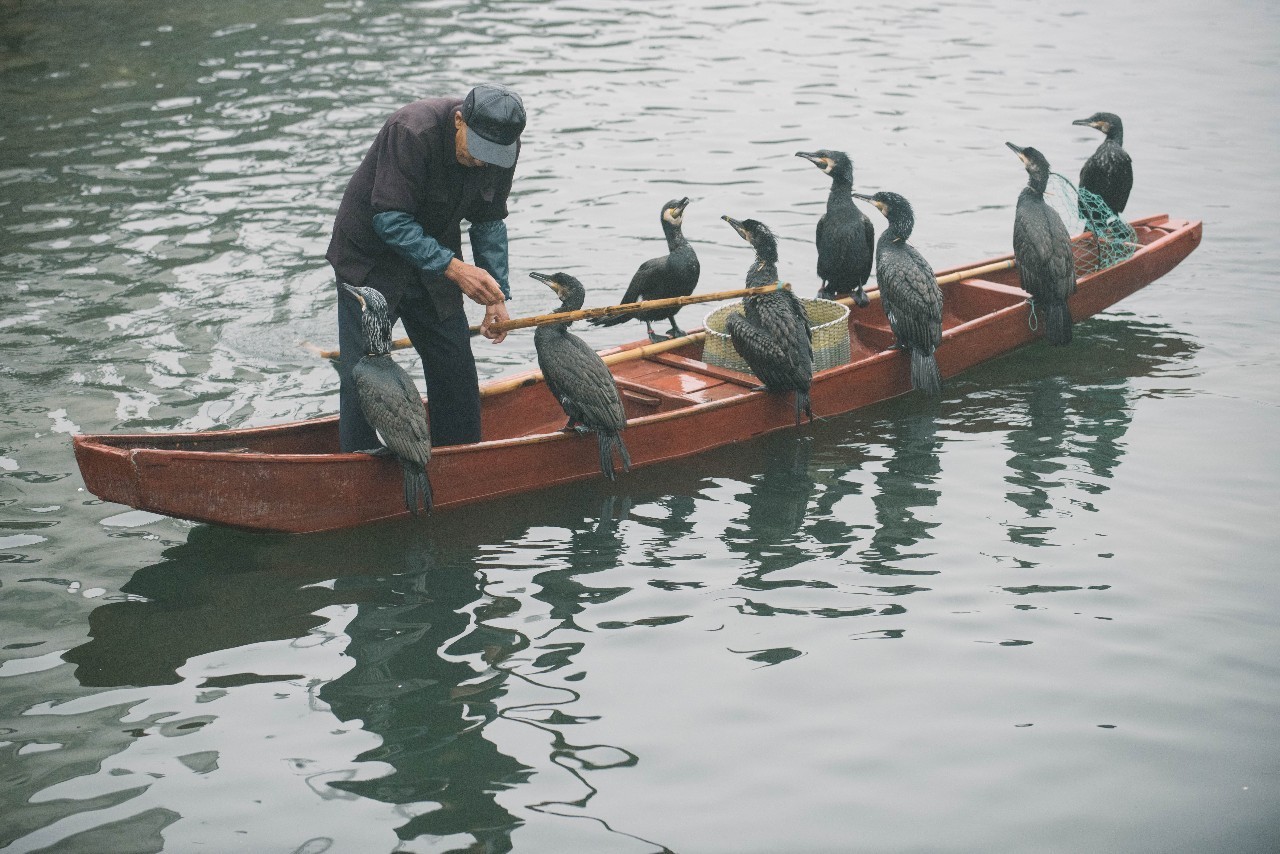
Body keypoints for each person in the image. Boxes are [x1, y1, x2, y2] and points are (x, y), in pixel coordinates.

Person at [327, 83, 526, 450]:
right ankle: (358, 463)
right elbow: (389, 220)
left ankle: (459, 458)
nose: (483, 162)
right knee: (365, 374)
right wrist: (454, 268)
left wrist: (495, 294)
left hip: (435, 258)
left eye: (494, 155)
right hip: (370, 260)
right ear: (458, 120)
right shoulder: (412, 130)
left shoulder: (501, 152)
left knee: (455, 369)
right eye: (478, 149)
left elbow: (489, 221)